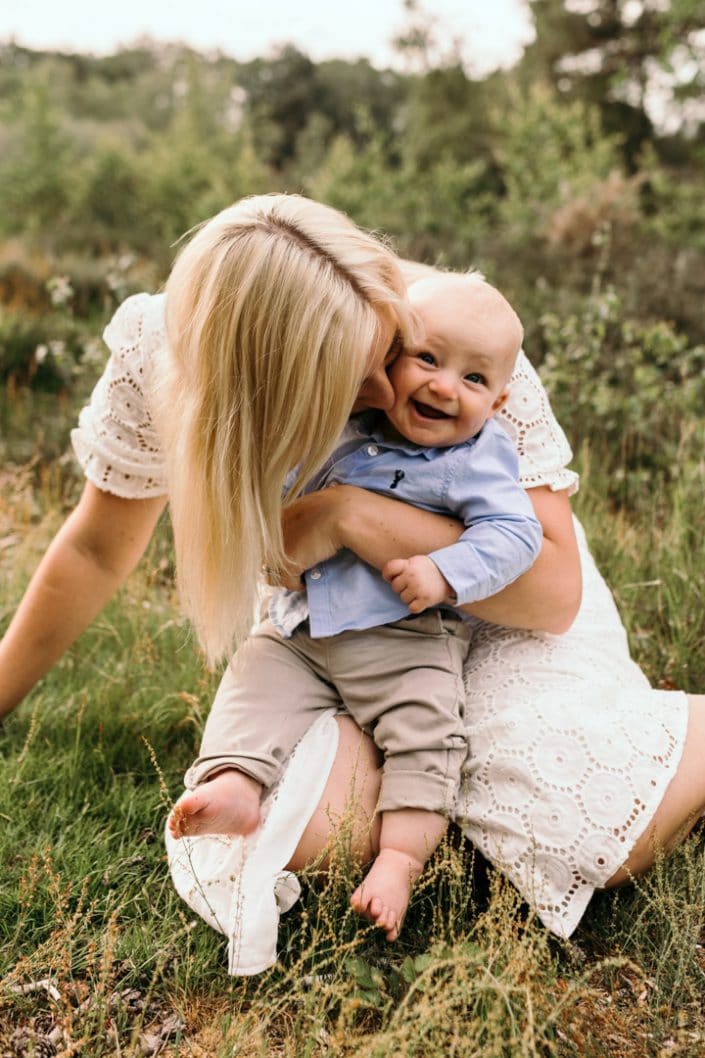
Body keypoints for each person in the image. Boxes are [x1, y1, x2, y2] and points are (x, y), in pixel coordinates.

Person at [0, 192, 702, 959]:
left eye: (388, 355)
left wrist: (346, 516)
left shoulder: (458, 335)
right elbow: (97, 550)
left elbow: (550, 594)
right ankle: (392, 778)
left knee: (573, 820)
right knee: (287, 831)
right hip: (333, 622)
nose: (386, 393)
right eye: (354, 376)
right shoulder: (162, 350)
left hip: (499, 613)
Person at [168, 274, 543, 942]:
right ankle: (234, 783)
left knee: (428, 739)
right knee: (253, 681)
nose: (442, 386)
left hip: (404, 639)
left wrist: (443, 570)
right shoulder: (343, 418)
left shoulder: (478, 456)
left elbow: (515, 536)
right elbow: (284, 485)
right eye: (427, 359)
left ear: (499, 401)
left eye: (473, 379)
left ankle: (399, 857)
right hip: (301, 627)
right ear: (388, 358)